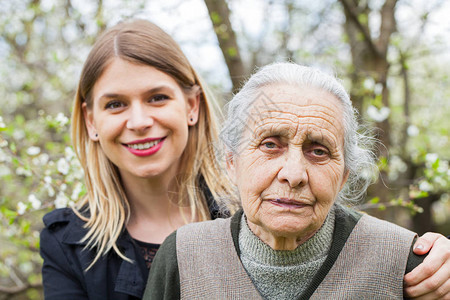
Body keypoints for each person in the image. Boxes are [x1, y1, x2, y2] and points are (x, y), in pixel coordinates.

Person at [144, 62, 450, 299]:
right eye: (270, 145)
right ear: (232, 162)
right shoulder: (184, 256)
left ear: (343, 176)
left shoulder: (404, 263)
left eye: (318, 151)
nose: (293, 174)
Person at [39, 19, 235, 299]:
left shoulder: (249, 220)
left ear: (192, 105)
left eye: (157, 97)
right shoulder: (66, 246)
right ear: (91, 121)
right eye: (115, 104)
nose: (139, 122)